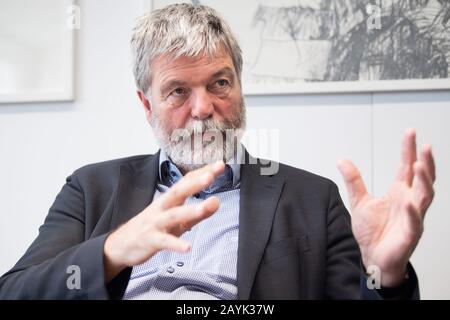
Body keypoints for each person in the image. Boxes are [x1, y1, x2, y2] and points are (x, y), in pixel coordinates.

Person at [0, 3, 435, 300]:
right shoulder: (92, 187)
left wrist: (386, 275)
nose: (203, 108)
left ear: (240, 87)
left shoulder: (312, 199)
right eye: (177, 91)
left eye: (219, 83)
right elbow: (15, 291)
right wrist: (111, 251)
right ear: (147, 104)